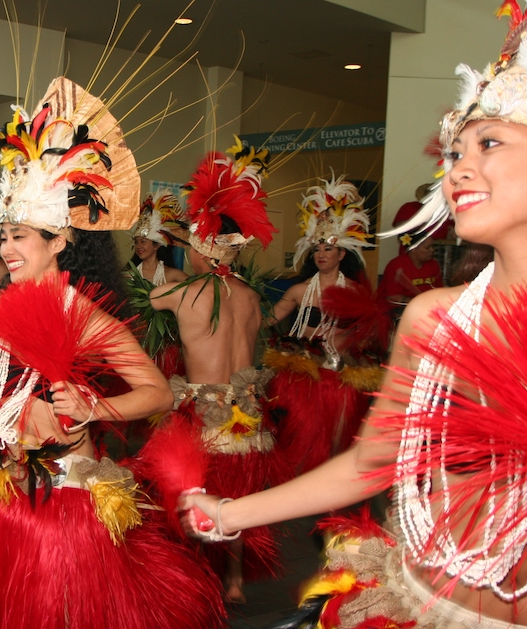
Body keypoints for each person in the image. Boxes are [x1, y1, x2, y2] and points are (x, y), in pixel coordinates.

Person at [181, 4, 527, 625]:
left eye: (489, 142)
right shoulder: (435, 318)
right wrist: (230, 514)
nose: (456, 172)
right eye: (453, 153)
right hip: (427, 596)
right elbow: (372, 463)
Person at [0, 76, 225, 629]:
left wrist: (91, 409)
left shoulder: (84, 316)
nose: (6, 248)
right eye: (3, 236)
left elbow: (156, 392)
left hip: (55, 492)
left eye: (21, 236)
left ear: (60, 240)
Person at [150, 141, 284, 603]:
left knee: (190, 492)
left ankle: (192, 578)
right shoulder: (249, 296)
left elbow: (144, 302)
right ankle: (234, 581)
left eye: (188, 246)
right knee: (236, 498)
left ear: (204, 251)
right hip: (245, 413)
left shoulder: (184, 293)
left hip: (202, 411)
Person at [264, 176, 379, 474]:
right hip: (301, 376)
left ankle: (330, 484)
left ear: (342, 254)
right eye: (316, 250)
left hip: (338, 375)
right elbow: (269, 319)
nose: (321, 255)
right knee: (300, 432)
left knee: (334, 437)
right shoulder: (300, 291)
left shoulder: (353, 293)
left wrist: (347, 340)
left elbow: (367, 333)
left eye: (328, 249)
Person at [130, 191, 188, 285]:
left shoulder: (172, 275)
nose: (138, 246)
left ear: (156, 245)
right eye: (136, 242)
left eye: (143, 241)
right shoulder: (129, 276)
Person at [379, 235, 443, 307]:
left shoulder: (433, 265)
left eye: (432, 246)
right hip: (398, 310)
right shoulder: (396, 265)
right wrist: (421, 303)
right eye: (427, 247)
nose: (432, 250)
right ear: (413, 248)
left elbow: (439, 290)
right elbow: (393, 298)